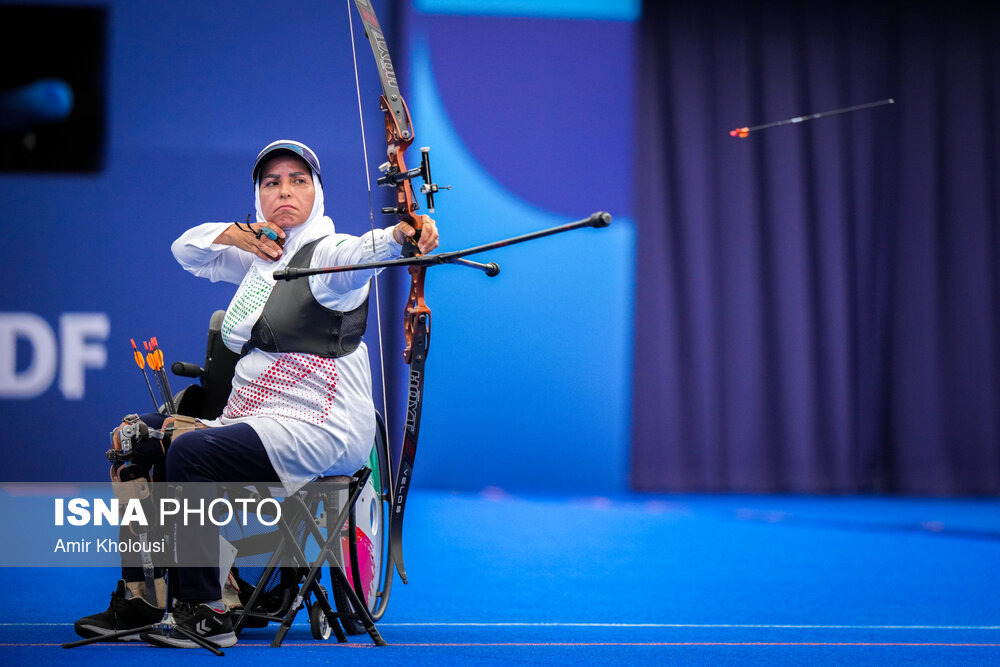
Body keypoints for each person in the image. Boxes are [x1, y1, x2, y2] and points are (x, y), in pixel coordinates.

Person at [73, 139, 438, 648]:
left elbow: (365, 253)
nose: (284, 191)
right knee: (132, 440)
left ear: (318, 192)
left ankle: (205, 611)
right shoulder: (259, 261)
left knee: (190, 452)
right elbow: (186, 249)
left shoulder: (329, 256)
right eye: (271, 183)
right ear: (259, 195)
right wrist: (238, 236)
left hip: (318, 426)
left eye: (298, 180)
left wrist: (403, 236)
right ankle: (144, 598)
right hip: (257, 420)